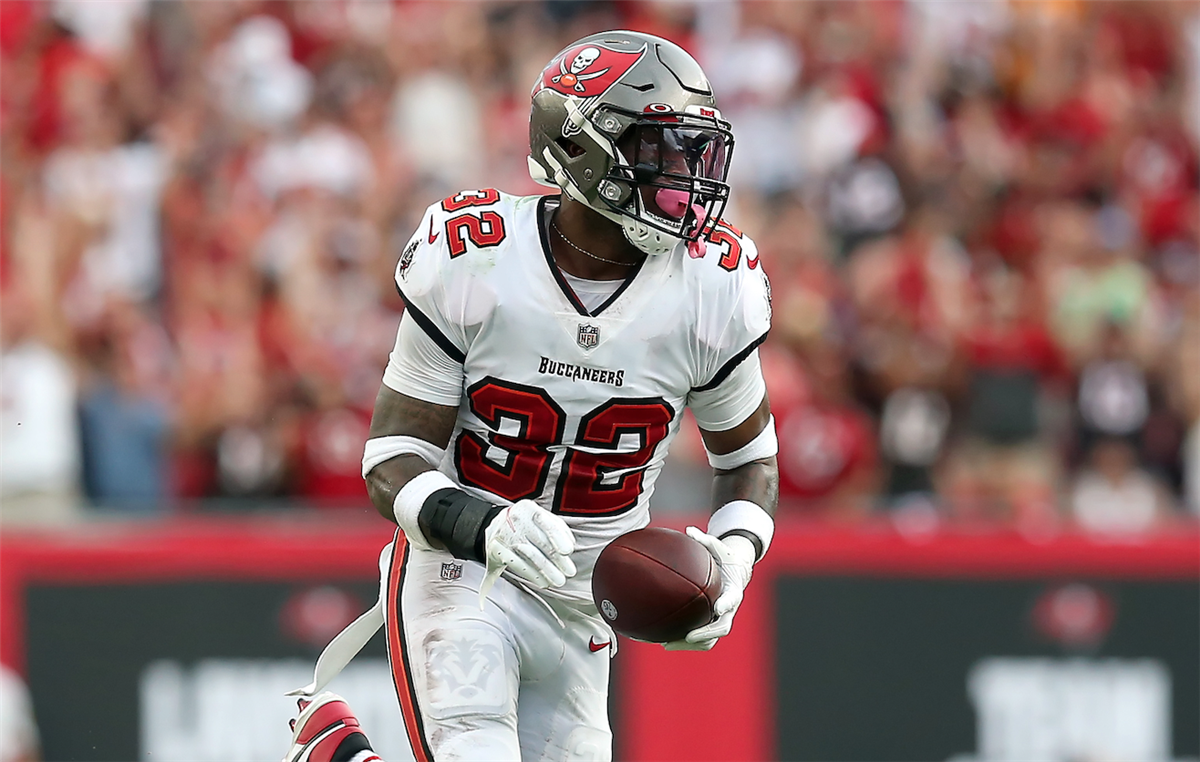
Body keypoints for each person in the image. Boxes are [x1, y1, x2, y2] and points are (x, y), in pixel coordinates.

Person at [284, 30, 778, 762]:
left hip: (587, 600)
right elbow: (391, 460)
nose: (684, 178)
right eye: (660, 150)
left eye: (692, 152)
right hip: (463, 567)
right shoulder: (476, 256)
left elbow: (750, 461)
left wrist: (733, 561)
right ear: (581, 151)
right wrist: (484, 525)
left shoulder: (714, 286)